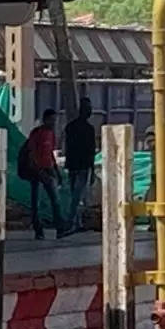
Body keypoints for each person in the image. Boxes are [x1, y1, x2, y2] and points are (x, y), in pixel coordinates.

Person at [24, 109, 66, 240]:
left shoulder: (51, 134)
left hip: (49, 169)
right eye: (51, 120)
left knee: (55, 200)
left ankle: (60, 228)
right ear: (45, 119)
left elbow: (51, 154)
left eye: (55, 120)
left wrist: (57, 172)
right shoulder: (37, 133)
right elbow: (31, 153)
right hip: (37, 171)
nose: (54, 123)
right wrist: (39, 171)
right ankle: (38, 230)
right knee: (36, 202)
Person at [64, 98, 97, 231]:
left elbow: (67, 146)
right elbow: (91, 150)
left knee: (75, 194)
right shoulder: (89, 129)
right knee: (78, 195)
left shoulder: (70, 127)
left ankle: (77, 222)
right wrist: (92, 168)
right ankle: (72, 221)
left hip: (72, 165)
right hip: (83, 166)